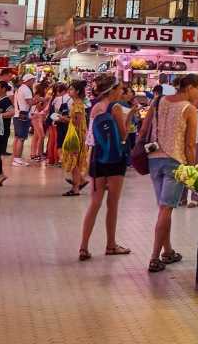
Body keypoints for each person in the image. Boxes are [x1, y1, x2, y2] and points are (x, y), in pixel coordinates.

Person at [147, 73, 198, 272]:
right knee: (165, 210)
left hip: (154, 159)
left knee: (165, 208)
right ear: (189, 88)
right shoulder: (189, 109)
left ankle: (168, 251)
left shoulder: (159, 101)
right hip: (175, 162)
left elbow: (145, 127)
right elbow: (190, 145)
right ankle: (154, 257)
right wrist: (193, 169)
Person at [78, 76, 131, 261]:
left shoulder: (95, 108)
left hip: (97, 158)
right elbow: (124, 134)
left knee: (95, 202)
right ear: (112, 90)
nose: (122, 92)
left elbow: (92, 135)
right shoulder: (115, 108)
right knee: (113, 204)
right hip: (115, 159)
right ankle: (111, 244)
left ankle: (84, 246)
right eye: (120, 89)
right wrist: (130, 116)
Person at [62, 79, 89, 196]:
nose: (69, 91)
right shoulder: (77, 103)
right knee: (75, 161)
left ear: (77, 91)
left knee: (74, 162)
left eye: (72, 89)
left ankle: (75, 188)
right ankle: (80, 181)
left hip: (76, 136)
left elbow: (76, 122)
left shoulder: (77, 104)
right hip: (77, 134)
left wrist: (63, 119)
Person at [11, 74, 34, 165]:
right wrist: (39, 100)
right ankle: (17, 159)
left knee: (17, 137)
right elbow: (30, 102)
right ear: (28, 80)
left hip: (17, 115)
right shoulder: (26, 89)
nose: (33, 82)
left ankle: (15, 158)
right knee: (21, 138)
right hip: (23, 116)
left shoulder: (19, 89)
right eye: (32, 80)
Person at [46, 83, 70, 165]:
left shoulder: (54, 99)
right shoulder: (68, 99)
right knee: (58, 141)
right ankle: (58, 159)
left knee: (52, 141)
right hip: (61, 122)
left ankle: (51, 159)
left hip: (52, 120)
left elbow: (50, 111)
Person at [30, 80, 51, 162]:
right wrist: (46, 101)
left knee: (36, 136)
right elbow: (39, 108)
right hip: (36, 117)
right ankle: (37, 154)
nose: (48, 90)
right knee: (41, 135)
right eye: (47, 88)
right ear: (44, 88)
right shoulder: (39, 96)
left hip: (36, 116)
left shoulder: (38, 96)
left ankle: (33, 154)